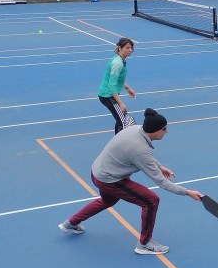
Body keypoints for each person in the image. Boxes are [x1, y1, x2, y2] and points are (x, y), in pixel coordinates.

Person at [58, 108, 203, 255]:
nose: (167, 131)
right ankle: (144, 244)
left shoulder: (136, 129)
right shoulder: (140, 150)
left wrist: (159, 166)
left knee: (108, 200)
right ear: (154, 131)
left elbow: (144, 156)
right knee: (151, 200)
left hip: (97, 172)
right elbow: (162, 182)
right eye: (164, 129)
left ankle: (71, 223)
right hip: (110, 179)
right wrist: (188, 192)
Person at [98, 37, 136, 134]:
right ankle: (119, 146)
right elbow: (112, 85)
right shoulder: (118, 63)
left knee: (120, 119)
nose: (130, 50)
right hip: (108, 96)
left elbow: (118, 79)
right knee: (123, 122)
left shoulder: (120, 59)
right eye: (127, 48)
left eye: (131, 48)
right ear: (120, 48)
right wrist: (121, 103)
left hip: (109, 94)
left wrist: (128, 88)